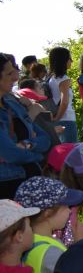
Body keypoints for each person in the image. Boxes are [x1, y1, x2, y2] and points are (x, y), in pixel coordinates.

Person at [15, 177, 83, 273]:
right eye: (66, 206)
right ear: (47, 213)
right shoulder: (49, 252)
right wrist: (81, 242)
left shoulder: (28, 241)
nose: (70, 211)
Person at [0, 54, 51, 198]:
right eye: (9, 73)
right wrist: (38, 155)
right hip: (8, 187)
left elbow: (45, 139)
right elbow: (11, 154)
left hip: (30, 180)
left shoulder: (12, 104)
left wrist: (26, 144)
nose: (15, 78)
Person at [48, 46, 79, 142]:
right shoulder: (64, 79)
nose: (71, 61)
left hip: (57, 117)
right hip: (66, 119)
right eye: (69, 58)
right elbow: (64, 101)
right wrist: (57, 118)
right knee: (71, 148)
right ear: (63, 60)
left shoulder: (51, 78)